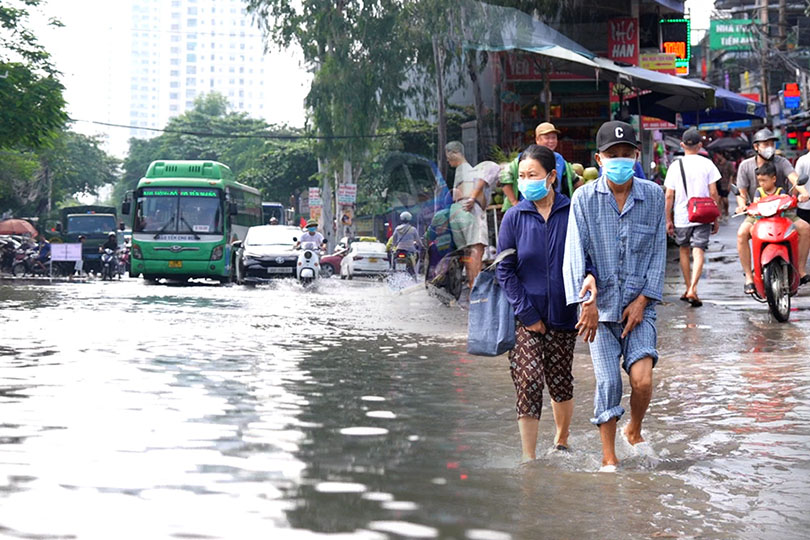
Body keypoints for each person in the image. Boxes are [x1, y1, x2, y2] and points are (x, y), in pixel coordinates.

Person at [563, 121, 667, 472]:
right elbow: (576, 252)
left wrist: (643, 300)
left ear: (636, 156)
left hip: (640, 306)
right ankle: (609, 458)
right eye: (612, 155)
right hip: (600, 309)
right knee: (608, 381)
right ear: (599, 158)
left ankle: (633, 428)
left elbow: (657, 250)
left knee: (642, 379)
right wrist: (585, 303)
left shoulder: (652, 195)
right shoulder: (584, 199)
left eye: (626, 155)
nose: (619, 160)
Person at [497, 144, 597, 462]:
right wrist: (526, 313)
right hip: (525, 315)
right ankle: (529, 457)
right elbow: (504, 268)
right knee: (527, 380)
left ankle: (561, 439)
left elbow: (590, 257)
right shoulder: (513, 218)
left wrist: (589, 288)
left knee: (560, 380)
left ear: (551, 176)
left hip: (565, 313)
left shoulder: (573, 213)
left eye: (533, 175)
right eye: (522, 176)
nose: (527, 181)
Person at [735, 128, 810, 293]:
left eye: (771, 143)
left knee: (805, 228)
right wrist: (741, 204)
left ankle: (801, 269)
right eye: (765, 144)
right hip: (757, 215)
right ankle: (749, 276)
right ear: (756, 147)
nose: (769, 147)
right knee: (741, 234)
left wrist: (804, 193)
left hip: (783, 212)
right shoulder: (745, 166)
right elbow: (741, 193)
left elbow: (794, 178)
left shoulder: (782, 162)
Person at [664, 129, 721, 308]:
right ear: (700, 145)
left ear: (682, 145)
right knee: (699, 250)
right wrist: (715, 217)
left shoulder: (675, 166)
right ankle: (693, 289)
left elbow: (668, 196)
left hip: (682, 215)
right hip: (703, 214)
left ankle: (689, 287)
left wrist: (668, 219)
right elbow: (713, 192)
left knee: (684, 250)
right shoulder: (707, 164)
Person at [446, 141, 498, 288]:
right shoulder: (474, 168)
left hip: (456, 211)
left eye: (448, 157)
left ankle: (471, 288)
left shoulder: (461, 171)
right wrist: (472, 198)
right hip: (469, 208)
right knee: (477, 249)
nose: (448, 162)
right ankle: (474, 290)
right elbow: (483, 179)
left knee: (467, 252)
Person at [712, 152, 736, 221]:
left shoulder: (728, 164)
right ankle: (720, 214)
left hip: (726, 183)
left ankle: (726, 211)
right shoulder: (717, 164)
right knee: (719, 199)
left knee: (725, 199)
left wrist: (730, 183)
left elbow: (731, 174)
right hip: (718, 183)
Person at [794, 137, 810, 224]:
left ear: (808, 145)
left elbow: (796, 182)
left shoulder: (802, 160)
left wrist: (793, 197)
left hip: (804, 205)